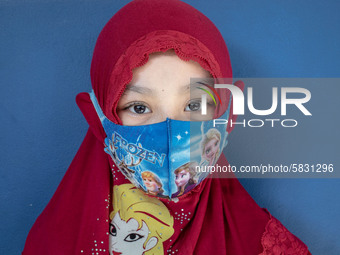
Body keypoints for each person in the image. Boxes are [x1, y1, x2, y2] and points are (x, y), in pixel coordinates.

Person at [23, 0, 311, 254]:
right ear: (99, 120)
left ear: (228, 114)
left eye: (195, 106)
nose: (171, 135)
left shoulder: (269, 248)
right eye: (139, 107)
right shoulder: (52, 244)